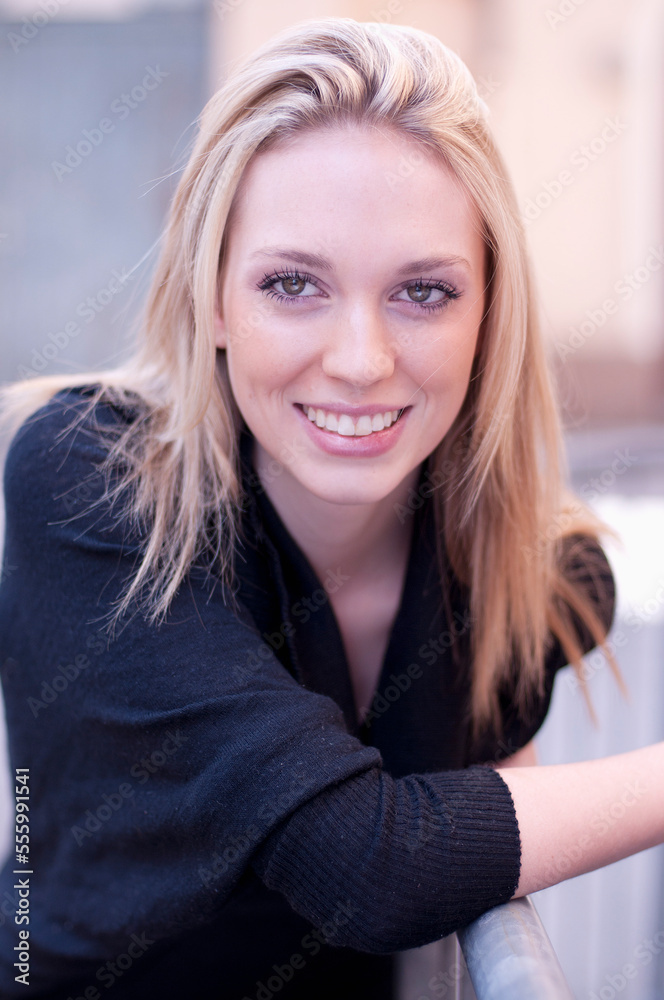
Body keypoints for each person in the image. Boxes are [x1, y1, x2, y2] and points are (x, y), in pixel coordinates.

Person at [0, 16, 662, 1000]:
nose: (360, 360)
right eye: (292, 283)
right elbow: (371, 867)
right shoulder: (90, 484)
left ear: (490, 312)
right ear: (213, 298)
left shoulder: (533, 571)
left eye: (423, 292)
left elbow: (487, 851)